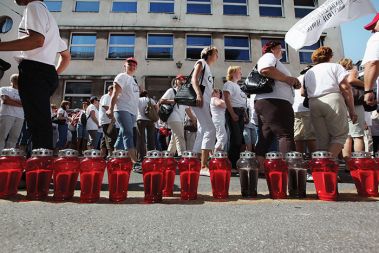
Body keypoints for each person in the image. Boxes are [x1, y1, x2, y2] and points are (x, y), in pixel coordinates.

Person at [0, 0, 70, 150]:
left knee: (38, 125)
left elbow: (37, 40)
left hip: (34, 70)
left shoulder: (33, 6)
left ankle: (41, 168)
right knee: (39, 123)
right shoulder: (49, 18)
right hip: (45, 72)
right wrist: (53, 73)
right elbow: (66, 56)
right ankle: (39, 164)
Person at [303, 47, 357, 158]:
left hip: (314, 102)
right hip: (332, 98)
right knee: (340, 135)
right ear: (330, 56)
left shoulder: (309, 72)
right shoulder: (336, 67)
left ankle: (327, 173)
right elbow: (346, 88)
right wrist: (352, 110)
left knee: (322, 140)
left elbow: (304, 92)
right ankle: (326, 164)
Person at [254, 41, 301, 168]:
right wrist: (288, 79)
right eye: (280, 49)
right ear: (273, 49)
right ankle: (291, 169)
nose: (282, 51)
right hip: (275, 102)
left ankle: (260, 168)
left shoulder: (273, 60)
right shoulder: (270, 57)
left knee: (266, 136)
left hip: (268, 102)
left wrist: (292, 82)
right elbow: (266, 69)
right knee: (285, 135)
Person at [107, 57, 140, 163]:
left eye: (134, 65)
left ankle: (115, 156)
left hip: (132, 111)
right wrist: (110, 109)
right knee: (128, 133)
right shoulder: (122, 76)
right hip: (122, 109)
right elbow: (115, 94)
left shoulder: (133, 80)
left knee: (122, 134)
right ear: (124, 66)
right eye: (129, 64)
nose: (132, 66)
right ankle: (134, 160)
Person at [191, 47, 218, 176]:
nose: (217, 57)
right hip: (200, 100)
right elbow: (193, 79)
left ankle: (194, 161)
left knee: (202, 130)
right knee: (210, 129)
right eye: (216, 54)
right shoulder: (201, 62)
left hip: (204, 101)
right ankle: (203, 165)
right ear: (209, 54)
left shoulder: (208, 67)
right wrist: (199, 94)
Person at [339, 58, 366, 169]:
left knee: (347, 137)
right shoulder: (352, 70)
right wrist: (365, 84)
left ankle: (347, 165)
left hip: (343, 104)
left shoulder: (338, 73)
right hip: (355, 105)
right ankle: (360, 163)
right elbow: (351, 80)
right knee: (358, 136)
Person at [160, 74, 193, 157]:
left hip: (181, 119)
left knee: (174, 140)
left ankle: (168, 157)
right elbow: (162, 100)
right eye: (180, 79)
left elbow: (187, 109)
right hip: (173, 117)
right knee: (180, 137)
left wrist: (194, 119)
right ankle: (182, 156)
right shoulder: (171, 91)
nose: (182, 81)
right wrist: (173, 101)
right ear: (176, 81)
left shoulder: (184, 94)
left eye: (183, 80)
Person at [223, 66, 247, 169]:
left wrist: (245, 114)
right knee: (235, 139)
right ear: (232, 73)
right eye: (239, 72)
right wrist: (232, 113)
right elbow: (227, 99)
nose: (241, 74)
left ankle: (236, 163)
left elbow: (243, 102)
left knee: (240, 139)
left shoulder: (239, 87)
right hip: (234, 111)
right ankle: (231, 165)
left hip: (240, 112)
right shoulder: (228, 84)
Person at [293, 74, 316, 157]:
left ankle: (299, 159)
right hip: (306, 108)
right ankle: (313, 158)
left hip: (296, 108)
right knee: (310, 136)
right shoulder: (311, 76)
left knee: (298, 136)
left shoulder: (298, 77)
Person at [0, 74, 24, 150]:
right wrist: (20, 103)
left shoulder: (24, 92)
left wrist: (11, 99)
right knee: (2, 136)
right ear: (12, 81)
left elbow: (26, 104)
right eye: (16, 79)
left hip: (20, 117)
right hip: (7, 114)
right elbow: (5, 101)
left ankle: (8, 156)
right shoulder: (4, 89)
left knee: (14, 138)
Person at [363, 13, 379, 106]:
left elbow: (372, 62)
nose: (372, 31)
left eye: (374, 26)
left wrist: (368, 91)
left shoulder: (376, 37)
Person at [136, 90, 157, 160]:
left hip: (140, 119)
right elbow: (156, 108)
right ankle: (151, 155)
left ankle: (141, 156)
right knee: (151, 138)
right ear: (146, 94)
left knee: (141, 138)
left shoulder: (138, 100)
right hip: (150, 120)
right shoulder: (150, 100)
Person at [99, 85, 117, 157]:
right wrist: (112, 115)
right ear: (110, 90)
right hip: (107, 121)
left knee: (104, 139)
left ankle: (102, 155)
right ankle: (110, 154)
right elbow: (105, 106)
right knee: (110, 137)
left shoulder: (110, 97)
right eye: (113, 90)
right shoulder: (106, 96)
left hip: (108, 121)